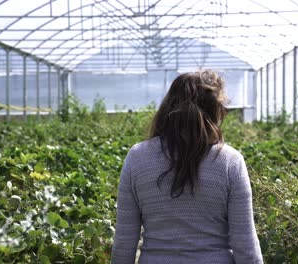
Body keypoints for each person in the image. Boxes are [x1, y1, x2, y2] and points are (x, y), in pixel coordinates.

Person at [111, 70, 263, 264]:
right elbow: (246, 247)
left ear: (167, 107)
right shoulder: (229, 162)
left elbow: (124, 242)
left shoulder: (137, 158)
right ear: (215, 110)